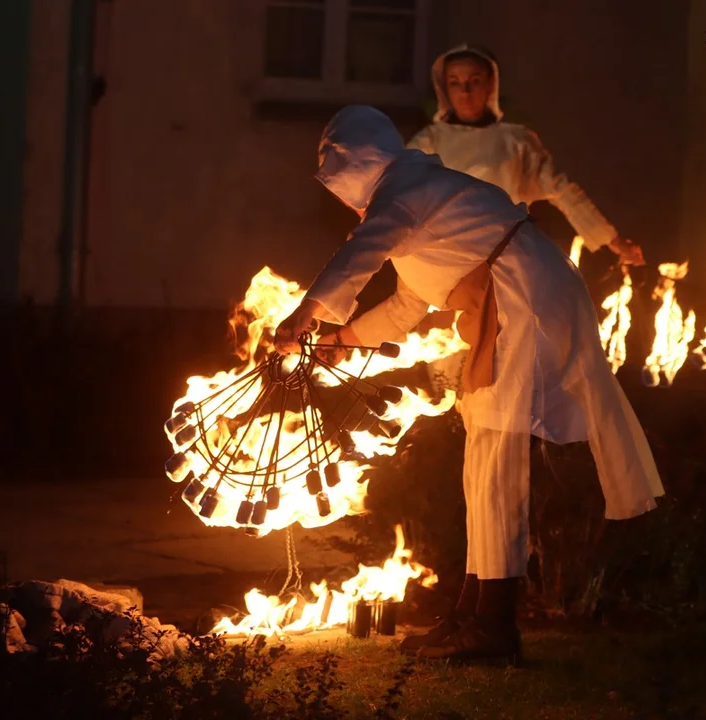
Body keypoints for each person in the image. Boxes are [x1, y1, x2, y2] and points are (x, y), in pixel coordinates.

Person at [275, 105, 663, 665]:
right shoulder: (412, 193)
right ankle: (473, 614)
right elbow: (410, 302)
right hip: (503, 303)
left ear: (357, 163)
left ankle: (494, 628)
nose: (347, 199)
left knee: (498, 458)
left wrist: (307, 314)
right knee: (482, 460)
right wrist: (345, 337)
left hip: (523, 301)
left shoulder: (404, 189)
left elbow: (362, 253)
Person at [406, 44, 646, 267]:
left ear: (491, 85)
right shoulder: (428, 142)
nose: (465, 91)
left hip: (505, 258)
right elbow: (399, 190)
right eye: (455, 83)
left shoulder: (517, 141)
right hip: (443, 259)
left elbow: (562, 191)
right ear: (444, 88)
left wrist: (612, 240)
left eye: (475, 81)